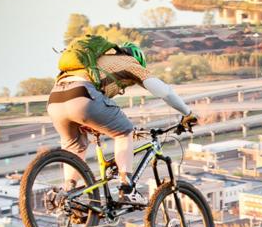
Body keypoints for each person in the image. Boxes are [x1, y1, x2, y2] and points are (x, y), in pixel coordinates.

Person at [47, 35, 196, 202]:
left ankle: (68, 195)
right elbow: (164, 91)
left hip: (55, 101)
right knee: (124, 132)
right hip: (83, 95)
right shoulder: (129, 62)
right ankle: (127, 187)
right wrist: (187, 113)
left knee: (76, 148)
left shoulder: (98, 62)